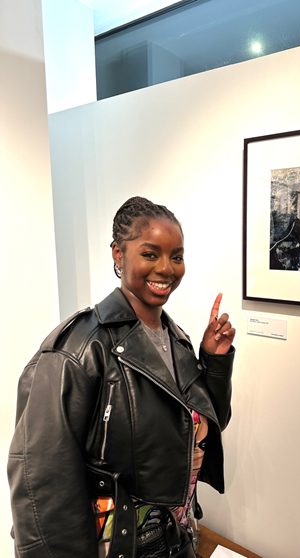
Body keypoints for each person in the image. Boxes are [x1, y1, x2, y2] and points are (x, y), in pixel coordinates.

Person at [8, 196, 235, 558]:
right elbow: (40, 484)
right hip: (123, 546)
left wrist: (214, 362)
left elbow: (207, 426)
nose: (166, 268)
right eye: (150, 254)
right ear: (118, 254)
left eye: (176, 256)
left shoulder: (175, 339)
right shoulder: (78, 349)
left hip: (179, 538)